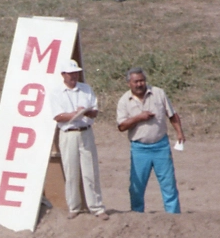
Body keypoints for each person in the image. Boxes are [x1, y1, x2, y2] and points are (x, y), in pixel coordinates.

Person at [116, 67, 184, 214]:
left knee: (169, 185)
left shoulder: (158, 93)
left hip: (161, 146)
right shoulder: (124, 101)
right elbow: (121, 126)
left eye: (142, 80)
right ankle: (137, 215)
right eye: (136, 82)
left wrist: (179, 132)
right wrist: (138, 118)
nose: (140, 84)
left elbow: (172, 114)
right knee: (136, 186)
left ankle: (174, 217)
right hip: (139, 149)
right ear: (129, 83)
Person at [49, 59, 108, 220]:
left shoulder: (86, 89)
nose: (74, 76)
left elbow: (94, 111)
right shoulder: (56, 92)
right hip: (69, 134)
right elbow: (58, 116)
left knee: (90, 171)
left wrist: (86, 112)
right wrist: (76, 113)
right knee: (71, 171)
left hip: (85, 131)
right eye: (70, 74)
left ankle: (96, 207)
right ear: (63, 75)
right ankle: (74, 206)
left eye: (75, 73)